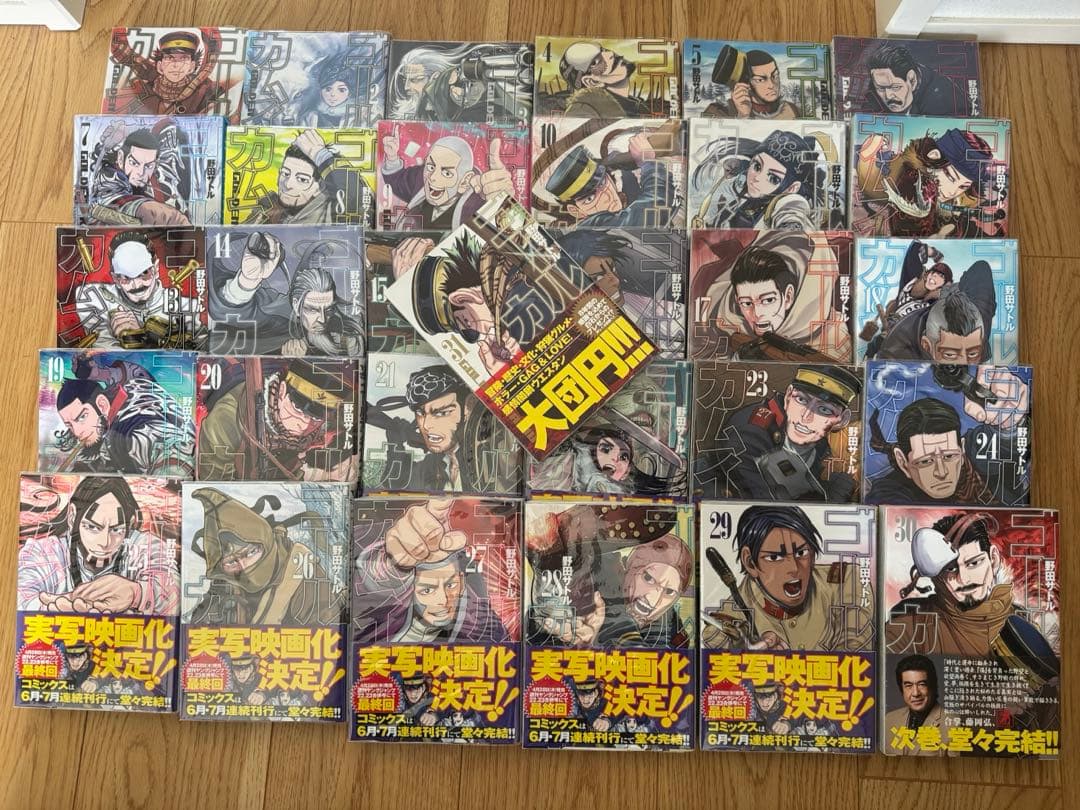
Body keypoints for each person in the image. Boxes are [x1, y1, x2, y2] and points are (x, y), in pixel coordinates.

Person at [701, 505, 873, 651]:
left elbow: (856, 650)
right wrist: (743, 650)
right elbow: (714, 638)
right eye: (775, 557)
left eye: (801, 553)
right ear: (750, 563)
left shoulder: (845, 580)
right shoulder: (735, 611)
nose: (793, 568)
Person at [353, 498, 510, 643]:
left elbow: (504, 649)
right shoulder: (385, 616)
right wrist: (394, 562)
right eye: (427, 590)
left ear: (461, 582)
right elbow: (375, 580)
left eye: (451, 585)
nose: (443, 600)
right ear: (410, 590)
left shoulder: (481, 624)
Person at [866, 368, 1029, 505]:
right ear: (902, 462)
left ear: (962, 449)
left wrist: (1011, 420)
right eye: (925, 461)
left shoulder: (975, 452)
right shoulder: (889, 491)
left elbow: (1006, 441)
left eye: (949, 456)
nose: (942, 472)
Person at [17, 476, 178, 614]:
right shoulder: (43, 552)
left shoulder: (145, 545)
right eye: (92, 527)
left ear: (130, 524)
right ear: (72, 517)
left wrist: (137, 593)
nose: (105, 542)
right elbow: (21, 598)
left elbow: (175, 590)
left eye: (117, 529)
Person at [700, 365, 862, 501]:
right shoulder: (750, 429)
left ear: (842, 420)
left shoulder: (819, 446)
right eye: (801, 400)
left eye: (824, 410)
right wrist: (830, 501)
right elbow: (768, 506)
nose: (806, 416)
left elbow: (795, 490)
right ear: (788, 396)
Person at [186, 487, 341, 626]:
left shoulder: (304, 572)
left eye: (251, 552)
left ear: (265, 541)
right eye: (232, 562)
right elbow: (197, 625)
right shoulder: (227, 579)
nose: (244, 566)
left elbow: (327, 636)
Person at [695, 231, 852, 362]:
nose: (757, 314)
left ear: (788, 297)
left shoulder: (834, 334)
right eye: (747, 303)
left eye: (768, 300)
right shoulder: (728, 328)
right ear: (737, 301)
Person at [196, 358, 357, 481]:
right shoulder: (228, 418)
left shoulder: (318, 430)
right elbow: (212, 484)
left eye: (315, 418)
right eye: (297, 408)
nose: (305, 424)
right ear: (281, 391)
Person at [52, 356, 195, 477]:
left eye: (82, 417)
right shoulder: (121, 388)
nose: (77, 432)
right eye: (69, 425)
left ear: (102, 405)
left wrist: (170, 473)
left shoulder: (135, 426)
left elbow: (169, 453)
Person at [855, 127, 1004, 238]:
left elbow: (962, 226)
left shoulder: (956, 204)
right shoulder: (909, 181)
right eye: (949, 176)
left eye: (963, 186)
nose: (952, 191)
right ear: (934, 157)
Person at [74, 230, 204, 349]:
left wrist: (140, 336)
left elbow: (201, 354)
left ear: (156, 269)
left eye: (144, 273)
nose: (136, 285)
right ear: (115, 279)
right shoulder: (94, 297)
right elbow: (103, 353)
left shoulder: (187, 308)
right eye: (126, 278)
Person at [691, 129, 838, 231]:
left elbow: (793, 213)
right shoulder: (745, 184)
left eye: (773, 178)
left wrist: (791, 230)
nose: (757, 178)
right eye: (757, 166)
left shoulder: (789, 204)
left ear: (792, 188)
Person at [379, 131, 513, 230]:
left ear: (464, 181)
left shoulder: (477, 203)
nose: (433, 177)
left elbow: (503, 238)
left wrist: (503, 201)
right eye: (431, 166)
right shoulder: (420, 177)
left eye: (447, 173)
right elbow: (399, 182)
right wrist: (392, 157)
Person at [544, 136, 677, 228]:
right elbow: (655, 208)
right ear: (576, 211)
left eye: (603, 183)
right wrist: (649, 162)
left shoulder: (625, 202)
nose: (607, 197)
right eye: (590, 199)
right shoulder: (596, 227)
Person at [85, 121, 192, 226]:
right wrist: (148, 211)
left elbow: (167, 124)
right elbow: (116, 201)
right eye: (134, 163)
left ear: (156, 163)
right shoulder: (110, 176)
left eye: (148, 166)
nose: (141, 173)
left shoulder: (163, 163)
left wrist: (128, 130)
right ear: (121, 158)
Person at [246, 130, 362, 225]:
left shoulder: (331, 212)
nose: (288, 184)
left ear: (320, 187)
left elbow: (358, 198)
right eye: (285, 174)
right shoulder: (266, 209)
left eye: (302, 179)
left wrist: (320, 154)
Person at [109, 28, 228, 116]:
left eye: (183, 59)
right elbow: (119, 47)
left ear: (192, 66)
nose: (176, 65)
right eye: (170, 58)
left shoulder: (205, 92)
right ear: (160, 66)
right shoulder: (142, 90)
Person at [863, 43, 965, 116]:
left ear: (912, 80)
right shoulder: (878, 81)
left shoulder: (941, 99)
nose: (888, 96)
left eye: (895, 87)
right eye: (881, 88)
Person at [558, 42, 652, 117]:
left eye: (603, 50)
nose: (610, 54)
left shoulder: (638, 107)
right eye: (596, 61)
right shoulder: (583, 111)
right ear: (591, 82)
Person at [703, 47, 799, 119]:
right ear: (745, 84)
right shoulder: (718, 112)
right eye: (760, 80)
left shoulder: (792, 110)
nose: (771, 85)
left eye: (775, 76)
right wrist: (743, 116)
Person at [883, 654, 947, 756]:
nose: (916, 693)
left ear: (932, 686)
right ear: (902, 689)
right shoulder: (889, 720)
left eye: (922, 684)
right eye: (908, 685)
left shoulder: (952, 723)